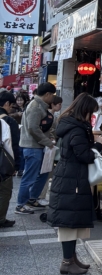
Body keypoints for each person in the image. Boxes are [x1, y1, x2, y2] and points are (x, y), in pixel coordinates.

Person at [48, 92, 102, 275]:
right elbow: (83, 155)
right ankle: (67, 261)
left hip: (69, 176)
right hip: (72, 178)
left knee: (72, 220)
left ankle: (72, 259)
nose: (92, 116)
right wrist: (99, 145)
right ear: (84, 110)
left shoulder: (70, 124)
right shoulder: (77, 128)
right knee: (69, 221)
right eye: (91, 112)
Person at [15, 83, 57, 214]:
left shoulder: (39, 105)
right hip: (33, 147)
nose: (53, 99)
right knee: (30, 176)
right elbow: (33, 128)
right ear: (47, 94)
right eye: (52, 95)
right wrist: (47, 142)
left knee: (43, 174)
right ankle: (20, 204)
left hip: (39, 146)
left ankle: (32, 198)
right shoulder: (35, 106)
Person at [0, 93, 18, 228]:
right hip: (2, 164)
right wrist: (13, 165)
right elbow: (10, 145)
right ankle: (1, 219)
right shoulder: (5, 122)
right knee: (4, 191)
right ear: (6, 104)